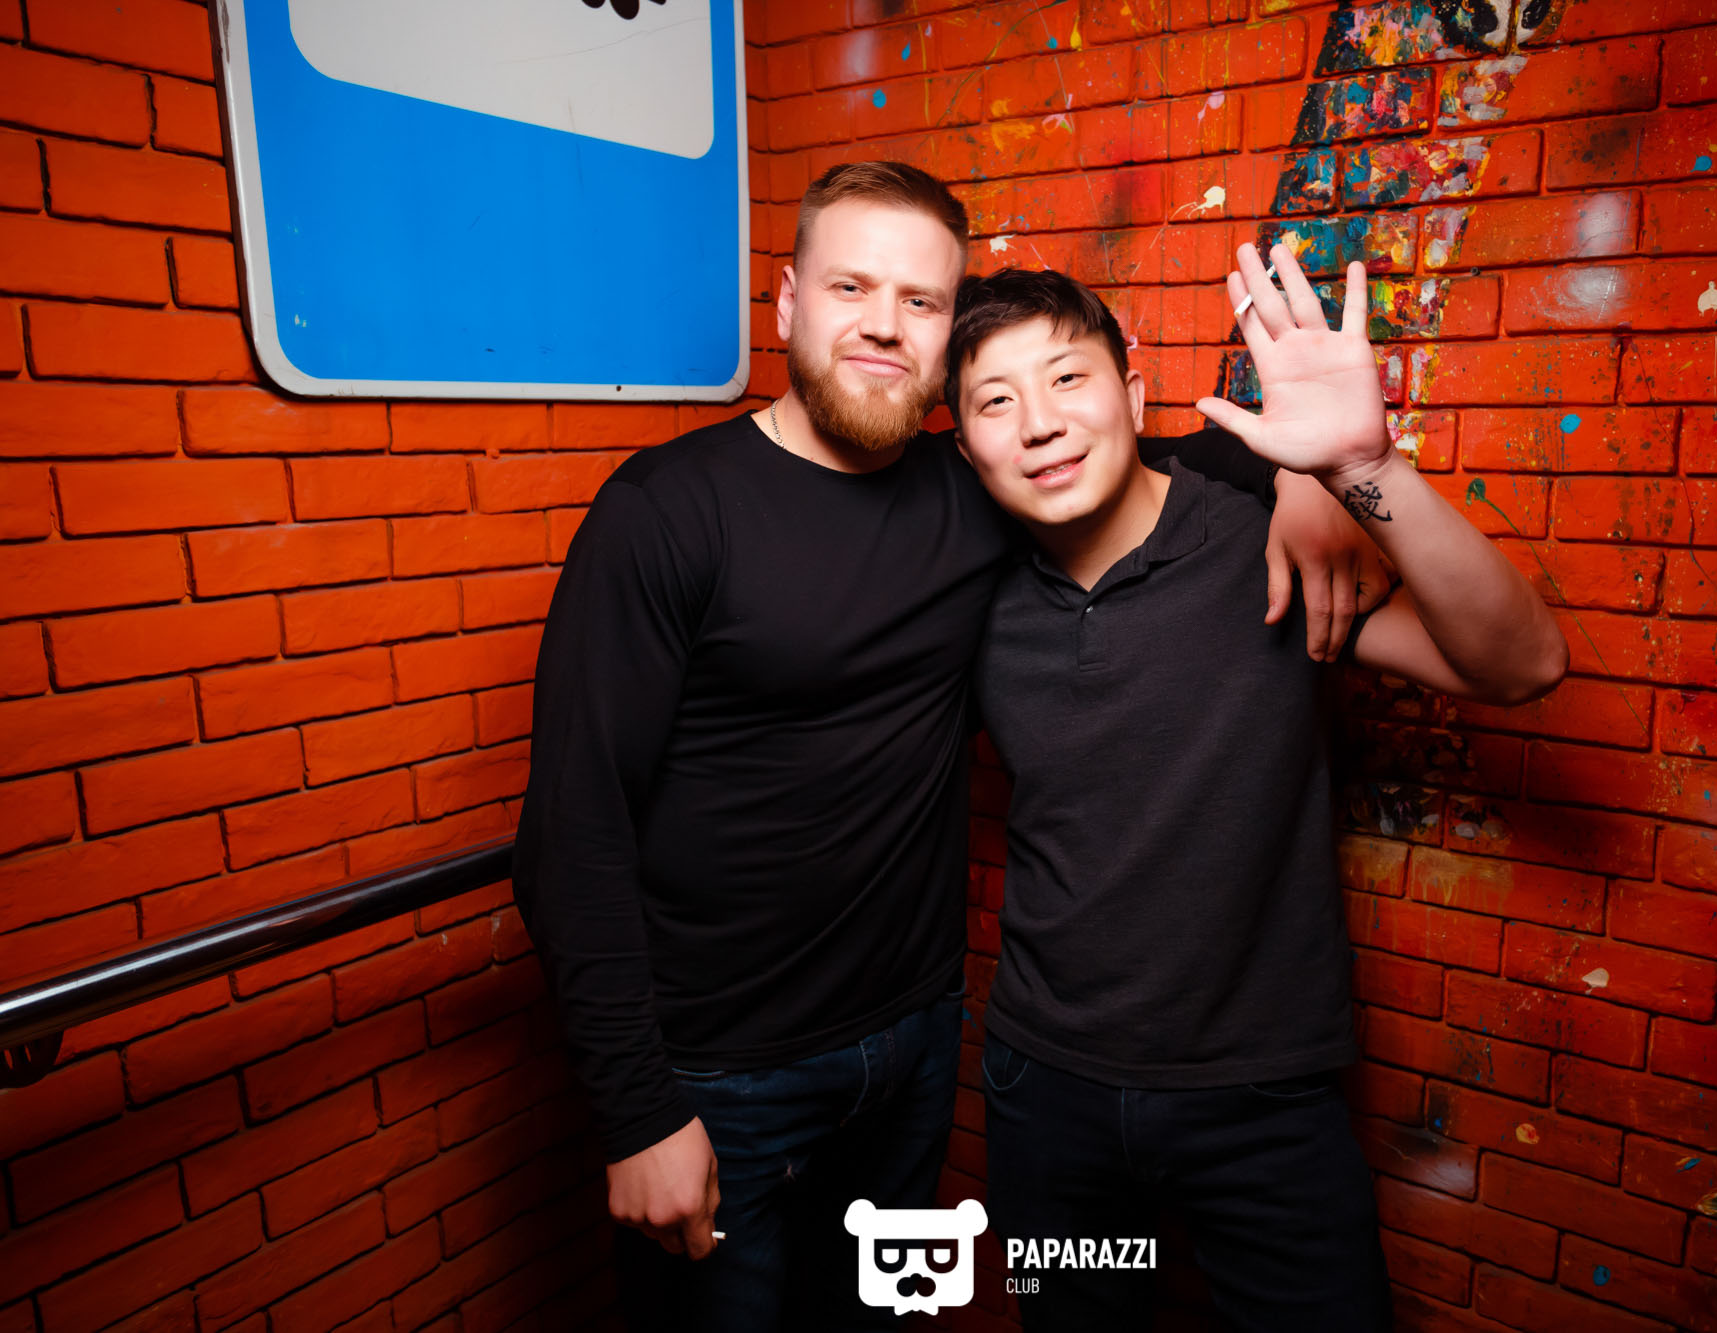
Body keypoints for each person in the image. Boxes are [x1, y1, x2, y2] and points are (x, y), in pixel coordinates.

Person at [510, 161, 1384, 1331]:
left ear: (942, 343)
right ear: (787, 303)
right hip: (719, 1077)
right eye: (849, 288)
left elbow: (1138, 456)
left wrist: (1311, 476)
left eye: (918, 300)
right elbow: (571, 834)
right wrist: (637, 1111)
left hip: (911, 1050)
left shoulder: (973, 485)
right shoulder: (667, 510)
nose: (883, 324)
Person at [949, 255, 1568, 1331]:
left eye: (1066, 379)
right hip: (1045, 1090)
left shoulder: (1262, 539)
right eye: (995, 402)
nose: (1039, 423)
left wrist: (1361, 468)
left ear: (1133, 392)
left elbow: (1521, 666)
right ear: (963, 447)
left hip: (1263, 1099)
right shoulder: (965, 589)